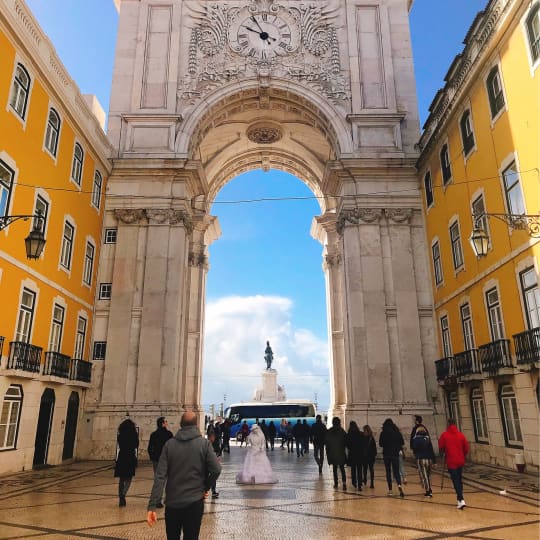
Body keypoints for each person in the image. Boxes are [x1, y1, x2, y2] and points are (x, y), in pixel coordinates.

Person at [147, 411, 221, 539]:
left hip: (173, 503)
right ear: (196, 424)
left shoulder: (169, 445)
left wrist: (152, 505)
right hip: (194, 503)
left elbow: (160, 477)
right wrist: (205, 487)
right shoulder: (204, 444)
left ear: (181, 424)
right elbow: (216, 469)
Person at [438, 418, 470, 509]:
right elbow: (466, 448)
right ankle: (460, 499)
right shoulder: (461, 435)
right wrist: (462, 455)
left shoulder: (444, 435)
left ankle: (461, 499)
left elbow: (440, 447)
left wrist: (442, 454)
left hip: (451, 461)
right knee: (459, 480)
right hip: (460, 460)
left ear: (448, 424)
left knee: (455, 480)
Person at [147, 416, 173, 508]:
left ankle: (157, 500)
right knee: (166, 480)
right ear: (162, 423)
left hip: (157, 460)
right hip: (166, 460)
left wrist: (153, 457)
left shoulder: (153, 434)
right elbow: (172, 448)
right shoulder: (169, 434)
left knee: (158, 481)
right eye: (165, 421)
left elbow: (150, 448)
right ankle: (166, 499)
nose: (167, 423)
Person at [114, 418, 139, 507]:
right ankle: (123, 494)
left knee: (122, 478)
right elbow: (136, 445)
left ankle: (121, 496)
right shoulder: (134, 434)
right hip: (130, 456)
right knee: (129, 478)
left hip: (122, 456)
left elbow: (119, 444)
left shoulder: (120, 435)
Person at [379, 418, 405, 497]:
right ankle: (399, 486)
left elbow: (381, 444)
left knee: (388, 472)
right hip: (395, 454)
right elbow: (402, 442)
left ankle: (390, 490)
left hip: (387, 454)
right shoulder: (397, 432)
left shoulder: (383, 433)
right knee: (396, 472)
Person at [411, 426, 436, 497]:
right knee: (428, 475)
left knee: (423, 475)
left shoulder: (416, 439)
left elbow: (414, 449)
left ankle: (428, 490)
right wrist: (434, 461)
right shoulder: (427, 439)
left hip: (420, 459)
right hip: (429, 458)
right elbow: (431, 450)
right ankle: (430, 488)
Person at [325, 416, 348, 490]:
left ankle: (336, 483)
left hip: (332, 453)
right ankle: (344, 483)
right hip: (341, 453)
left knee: (335, 469)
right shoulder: (342, 431)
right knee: (342, 469)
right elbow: (345, 442)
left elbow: (327, 443)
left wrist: (327, 453)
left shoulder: (329, 431)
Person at [346, 421, 365, 491]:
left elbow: (347, 445)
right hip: (360, 454)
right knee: (359, 469)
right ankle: (360, 484)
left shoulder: (349, 435)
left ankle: (354, 482)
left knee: (353, 469)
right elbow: (363, 444)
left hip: (352, 454)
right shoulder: (360, 434)